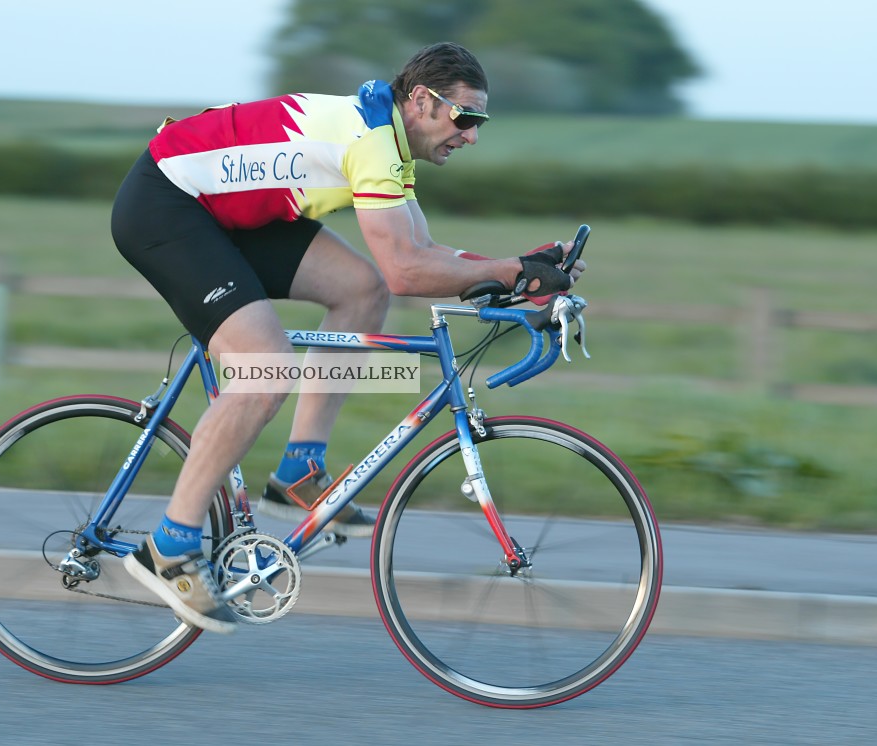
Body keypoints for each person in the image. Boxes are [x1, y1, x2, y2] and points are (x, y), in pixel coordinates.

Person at [110, 42, 582, 633]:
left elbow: (421, 256)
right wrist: (512, 269)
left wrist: (521, 265)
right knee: (267, 368)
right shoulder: (373, 143)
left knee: (361, 290)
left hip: (225, 212)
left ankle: (299, 472)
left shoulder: (390, 138)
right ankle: (169, 548)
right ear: (422, 101)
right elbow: (409, 271)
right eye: (466, 118)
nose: (472, 136)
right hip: (168, 205)